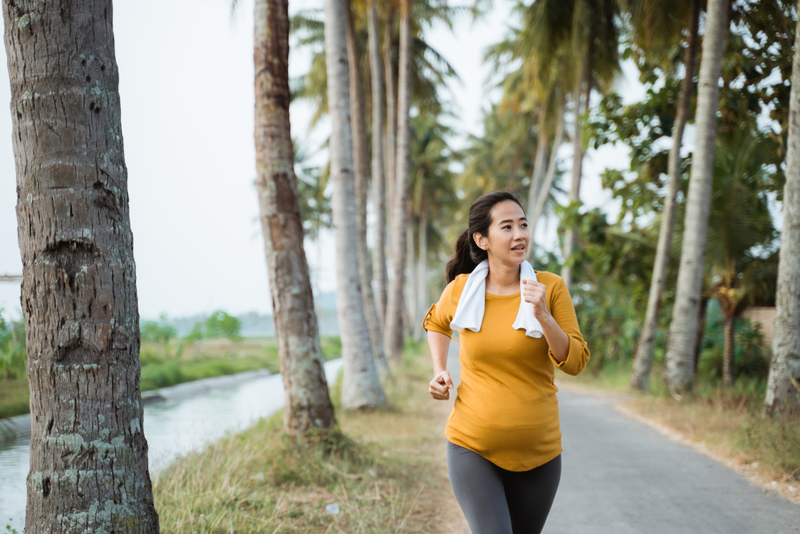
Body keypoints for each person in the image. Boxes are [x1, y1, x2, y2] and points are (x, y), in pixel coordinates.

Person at [421, 191, 591, 534]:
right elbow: (437, 322)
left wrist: (542, 315)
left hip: (540, 453)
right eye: (508, 226)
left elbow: (575, 362)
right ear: (481, 239)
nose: (520, 235)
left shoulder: (550, 287)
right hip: (472, 447)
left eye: (523, 225)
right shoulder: (461, 290)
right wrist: (440, 370)